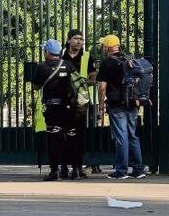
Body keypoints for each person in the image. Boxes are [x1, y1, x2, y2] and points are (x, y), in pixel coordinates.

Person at [95, 34, 145, 179]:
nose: (102, 48)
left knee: (121, 137)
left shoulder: (107, 63)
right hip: (132, 103)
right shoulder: (128, 60)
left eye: (103, 45)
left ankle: (121, 170)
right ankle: (138, 169)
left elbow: (102, 87)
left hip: (116, 104)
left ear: (107, 47)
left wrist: (100, 105)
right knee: (132, 135)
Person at [31, 39, 82, 181]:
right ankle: (76, 170)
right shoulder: (68, 65)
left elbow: (35, 86)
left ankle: (55, 171)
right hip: (70, 108)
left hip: (53, 108)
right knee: (72, 138)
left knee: (54, 139)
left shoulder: (42, 67)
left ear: (47, 52)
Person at [61, 29, 94, 178]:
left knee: (79, 136)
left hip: (80, 101)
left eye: (81, 39)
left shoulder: (87, 57)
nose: (79, 42)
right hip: (62, 99)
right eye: (76, 38)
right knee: (62, 135)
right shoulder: (61, 56)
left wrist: (79, 82)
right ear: (68, 40)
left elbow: (93, 78)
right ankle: (62, 167)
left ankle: (77, 167)